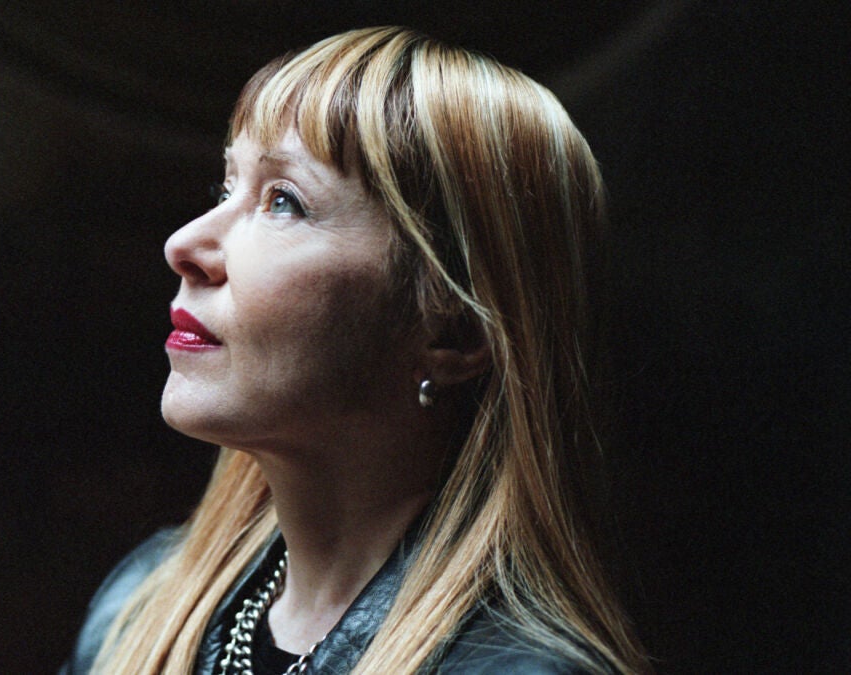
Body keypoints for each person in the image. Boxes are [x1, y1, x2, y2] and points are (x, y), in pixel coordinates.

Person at [61, 26, 649, 674]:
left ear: (453, 333)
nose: (184, 245)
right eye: (226, 190)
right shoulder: (137, 611)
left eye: (284, 201)